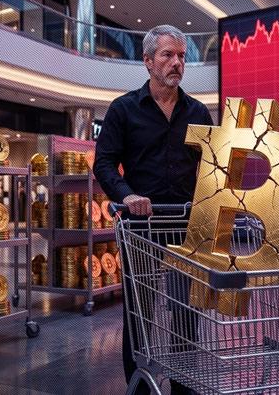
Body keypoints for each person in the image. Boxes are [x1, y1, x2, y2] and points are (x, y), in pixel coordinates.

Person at [94, 25, 213, 395]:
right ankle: (140, 388)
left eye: (181, 56)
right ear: (148, 61)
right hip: (141, 228)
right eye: (167, 55)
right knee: (140, 314)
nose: (177, 62)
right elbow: (104, 164)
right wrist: (127, 194)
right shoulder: (124, 109)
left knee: (186, 313)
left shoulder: (198, 112)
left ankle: (183, 387)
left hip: (186, 227)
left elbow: (212, 168)